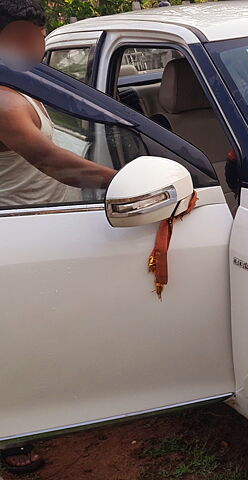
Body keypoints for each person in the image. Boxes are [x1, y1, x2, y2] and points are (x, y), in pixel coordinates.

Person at [0, 0, 116, 474]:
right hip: (18, 233)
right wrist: (130, 179)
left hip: (53, 222)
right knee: (18, 341)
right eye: (22, 38)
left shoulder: (26, 86)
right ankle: (11, 434)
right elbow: (55, 162)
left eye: (38, 36)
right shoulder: (5, 102)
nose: (35, 47)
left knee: (52, 329)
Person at [0, 0, 116, 209]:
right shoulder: (4, 101)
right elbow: (52, 161)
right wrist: (126, 181)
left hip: (55, 218)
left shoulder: (24, 82)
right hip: (26, 227)